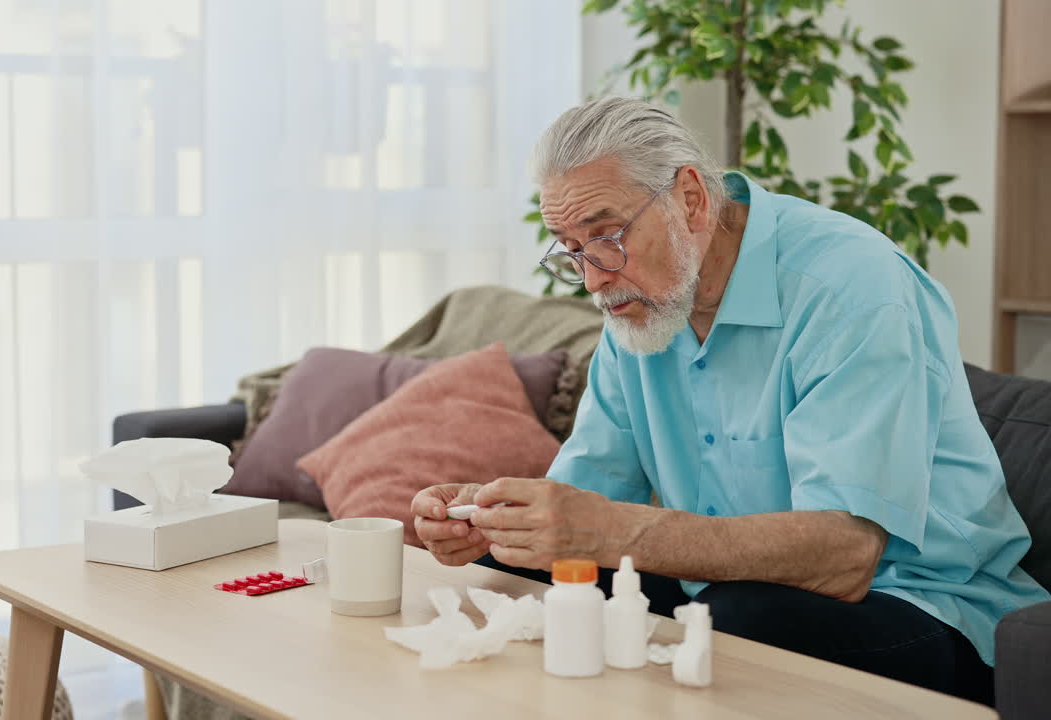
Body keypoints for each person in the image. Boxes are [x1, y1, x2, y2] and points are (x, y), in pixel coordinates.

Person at [411, 97, 1049, 704]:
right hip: (731, 589)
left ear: (689, 198)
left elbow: (846, 555)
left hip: (924, 606)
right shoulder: (640, 309)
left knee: (737, 618)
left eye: (607, 236)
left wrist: (607, 530)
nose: (595, 279)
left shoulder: (851, 287)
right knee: (535, 573)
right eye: (573, 251)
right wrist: (493, 517)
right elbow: (586, 504)